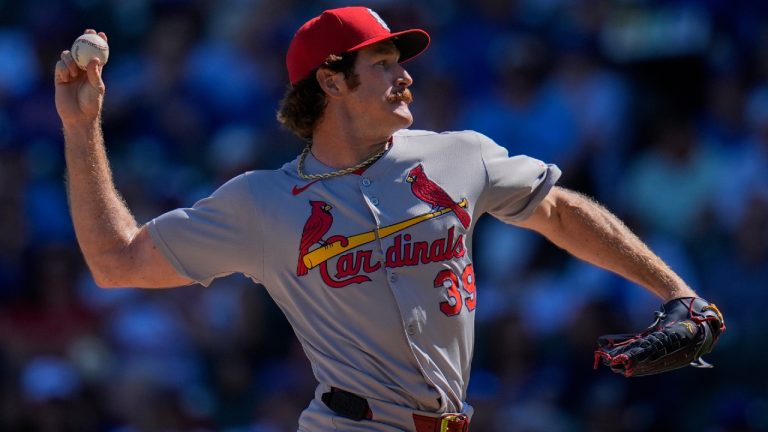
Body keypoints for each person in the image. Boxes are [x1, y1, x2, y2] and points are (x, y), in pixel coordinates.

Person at [55, 7, 717, 432]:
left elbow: (559, 211)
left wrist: (677, 293)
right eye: (382, 65)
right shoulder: (261, 201)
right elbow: (116, 262)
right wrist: (81, 129)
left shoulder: (459, 155)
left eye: (400, 65)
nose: (404, 78)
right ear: (331, 82)